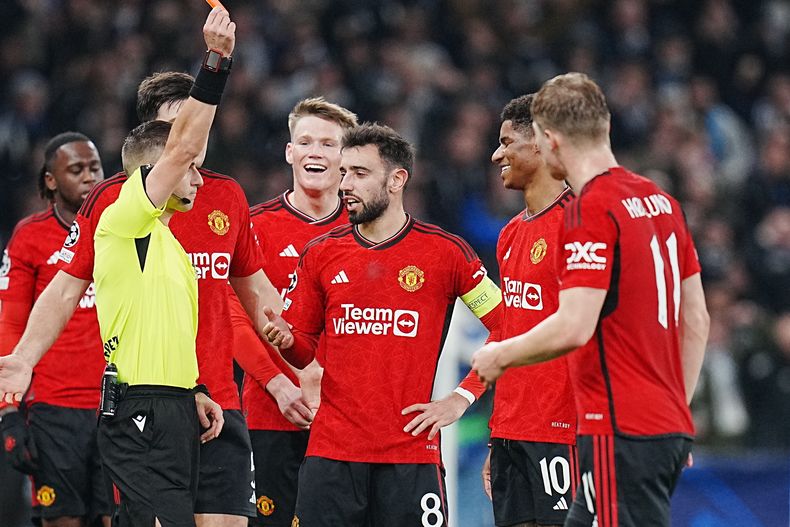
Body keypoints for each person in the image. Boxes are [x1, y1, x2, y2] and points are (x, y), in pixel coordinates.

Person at [0, 26, 285, 527]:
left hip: (201, 397)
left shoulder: (186, 229)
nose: (192, 147)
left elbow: (245, 296)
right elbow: (64, 288)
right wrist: (217, 61)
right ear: (154, 145)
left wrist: (288, 366)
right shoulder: (120, 206)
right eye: (180, 133)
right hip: (140, 406)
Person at [472, 73, 710, 527]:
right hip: (660, 421)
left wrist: (501, 353)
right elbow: (695, 319)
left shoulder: (589, 208)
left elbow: (575, 324)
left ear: (550, 140)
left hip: (616, 424)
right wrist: (677, 409)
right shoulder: (661, 201)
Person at [261, 123, 503, 526]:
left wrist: (462, 397)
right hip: (332, 455)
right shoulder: (321, 253)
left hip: (410, 456)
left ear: (396, 180)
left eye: (359, 173)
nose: (345, 184)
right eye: (343, 172)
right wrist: (285, 340)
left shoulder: (446, 254)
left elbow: (508, 326)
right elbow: (302, 350)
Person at [402, 94, 578, 527]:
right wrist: (480, 413)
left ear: (539, 144)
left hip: (564, 434)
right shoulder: (511, 235)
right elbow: (508, 331)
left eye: (506, 141)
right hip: (511, 433)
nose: (496, 153)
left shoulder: (582, 224)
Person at [230, 97, 357, 526]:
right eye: (305, 142)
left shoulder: (369, 233)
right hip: (271, 415)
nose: (315, 152)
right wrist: (279, 386)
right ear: (290, 152)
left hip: (347, 423)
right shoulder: (253, 227)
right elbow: (232, 318)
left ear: (347, 157)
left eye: (328, 143)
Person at [0, 132, 110, 527]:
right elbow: (10, 326)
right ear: (50, 180)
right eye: (76, 169)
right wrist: (9, 410)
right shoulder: (29, 238)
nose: (89, 178)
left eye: (95, 168)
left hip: (114, 406)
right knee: (62, 520)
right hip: (52, 410)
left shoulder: (118, 233)